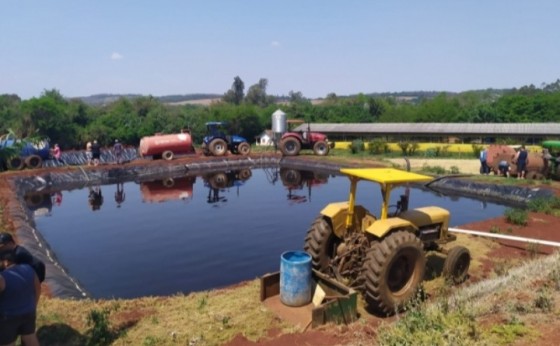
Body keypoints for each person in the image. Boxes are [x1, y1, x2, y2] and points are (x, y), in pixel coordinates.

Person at [0, 249, 41, 346]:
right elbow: (38, 288)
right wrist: (33, 306)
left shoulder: (3, 277)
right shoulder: (28, 268)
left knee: (7, 343)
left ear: (6, 262)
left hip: (8, 317)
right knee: (30, 337)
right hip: (29, 312)